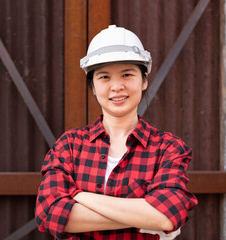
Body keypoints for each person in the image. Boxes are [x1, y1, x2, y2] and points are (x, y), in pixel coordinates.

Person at [35, 25, 198, 239]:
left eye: (127, 74)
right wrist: (143, 215)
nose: (116, 86)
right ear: (92, 86)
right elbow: (49, 214)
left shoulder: (168, 148)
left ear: (144, 80)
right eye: (104, 77)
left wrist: (80, 196)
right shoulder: (69, 146)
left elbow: (167, 215)